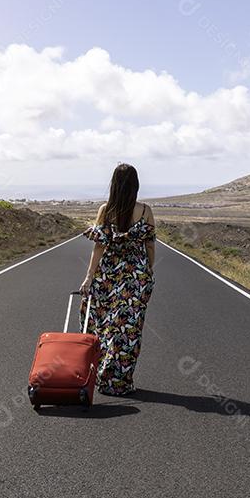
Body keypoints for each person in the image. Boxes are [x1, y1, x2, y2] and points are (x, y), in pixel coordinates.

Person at [79, 163, 156, 396]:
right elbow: (150, 245)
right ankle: (120, 382)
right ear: (135, 185)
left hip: (107, 276)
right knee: (127, 330)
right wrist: (148, 271)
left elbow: (99, 246)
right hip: (136, 276)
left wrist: (88, 277)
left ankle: (101, 375)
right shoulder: (145, 211)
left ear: (114, 184)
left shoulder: (106, 210)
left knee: (102, 325)